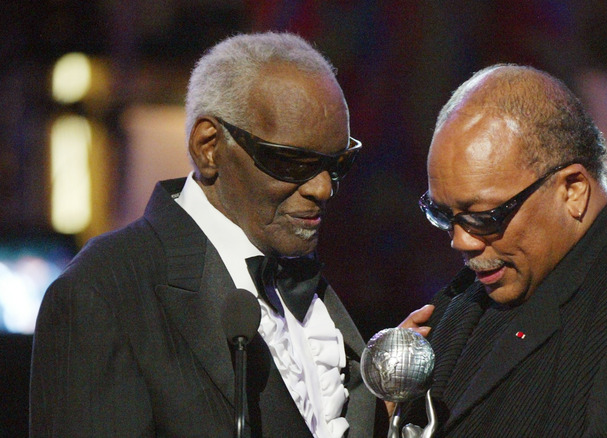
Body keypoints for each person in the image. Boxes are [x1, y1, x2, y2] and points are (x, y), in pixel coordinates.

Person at [30, 32, 384, 437]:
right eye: (292, 161)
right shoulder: (102, 292)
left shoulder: (305, 286)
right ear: (209, 146)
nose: (322, 188)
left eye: (338, 164)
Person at [400, 64, 607, 436]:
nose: (461, 241)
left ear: (573, 190)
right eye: (442, 215)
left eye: (485, 217)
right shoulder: (477, 290)